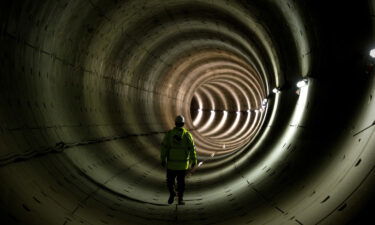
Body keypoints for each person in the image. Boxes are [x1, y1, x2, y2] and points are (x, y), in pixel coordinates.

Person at [160, 115, 197, 205]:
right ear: (183, 124)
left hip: (171, 164)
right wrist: (194, 160)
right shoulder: (187, 135)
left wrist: (163, 159)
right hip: (182, 165)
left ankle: (172, 193)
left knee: (170, 181)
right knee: (181, 183)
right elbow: (192, 148)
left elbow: (164, 147)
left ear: (175, 123)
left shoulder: (169, 134)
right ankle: (180, 199)